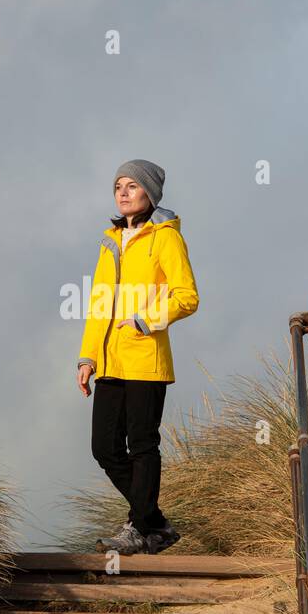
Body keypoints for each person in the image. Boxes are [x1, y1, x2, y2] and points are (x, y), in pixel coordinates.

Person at [77, 159, 199, 554]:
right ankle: (155, 523)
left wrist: (145, 321)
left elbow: (187, 297)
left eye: (132, 185)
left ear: (150, 192)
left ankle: (137, 526)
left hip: (146, 358)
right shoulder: (110, 240)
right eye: (118, 186)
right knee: (104, 448)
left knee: (142, 445)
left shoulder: (166, 237)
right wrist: (87, 358)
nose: (123, 192)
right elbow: (98, 305)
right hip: (110, 362)